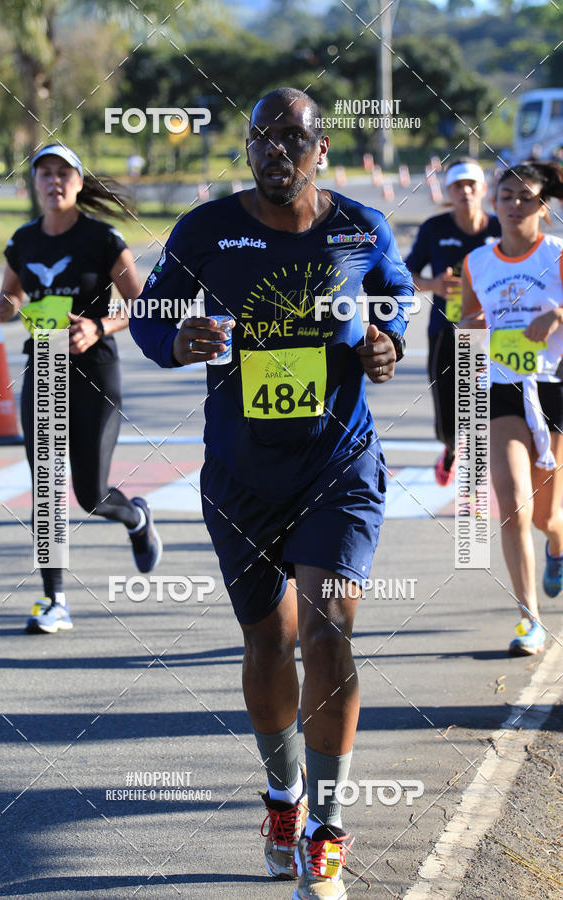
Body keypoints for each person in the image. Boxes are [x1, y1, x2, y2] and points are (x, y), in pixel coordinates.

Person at [130, 88, 413, 899]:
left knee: (328, 634)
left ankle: (326, 830)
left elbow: (398, 296)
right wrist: (174, 341)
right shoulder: (206, 228)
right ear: (249, 148)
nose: (275, 150)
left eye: (293, 137)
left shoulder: (359, 226)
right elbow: (150, 313)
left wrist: (388, 339)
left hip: (339, 466)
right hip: (242, 472)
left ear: (322, 149)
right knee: (268, 643)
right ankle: (283, 801)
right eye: (262, 137)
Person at [0, 144, 162, 634]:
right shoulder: (23, 241)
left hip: (96, 372)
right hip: (42, 366)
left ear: (79, 182)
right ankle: (54, 601)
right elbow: (11, 297)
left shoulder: (103, 240)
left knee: (90, 494)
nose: (53, 181)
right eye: (44, 173)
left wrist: (98, 327)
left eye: (63, 173)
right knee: (45, 490)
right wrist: (4, 308)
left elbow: (144, 307)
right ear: (35, 183)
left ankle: (134, 517)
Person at [461, 161, 563, 655]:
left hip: (555, 387)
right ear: (493, 203)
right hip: (503, 387)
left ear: (544, 208)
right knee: (514, 505)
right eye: (506, 195)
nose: (515, 204)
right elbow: (468, 319)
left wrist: (558, 313)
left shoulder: (559, 255)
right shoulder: (478, 261)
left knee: (549, 517)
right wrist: (475, 340)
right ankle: (530, 620)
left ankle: (557, 546)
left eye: (526, 197)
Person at [406, 158, 501, 485]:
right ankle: (449, 450)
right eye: (458, 185)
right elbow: (402, 276)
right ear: (448, 191)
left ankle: (482, 469)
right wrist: (433, 285)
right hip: (446, 332)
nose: (465, 191)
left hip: (493, 336)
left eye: (471, 184)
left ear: (484, 189)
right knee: (448, 421)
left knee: (487, 407)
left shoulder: (500, 229)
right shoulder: (434, 229)